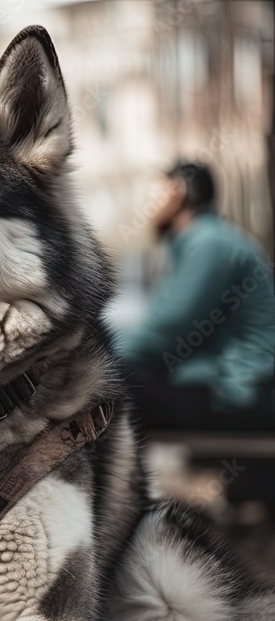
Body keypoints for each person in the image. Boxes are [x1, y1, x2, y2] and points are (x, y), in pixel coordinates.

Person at [118, 161, 275, 431]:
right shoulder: (195, 243)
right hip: (222, 379)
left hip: (241, 388)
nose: (149, 201)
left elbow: (165, 331)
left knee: (106, 385)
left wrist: (95, 352)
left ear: (177, 192)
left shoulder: (210, 244)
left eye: (156, 191)